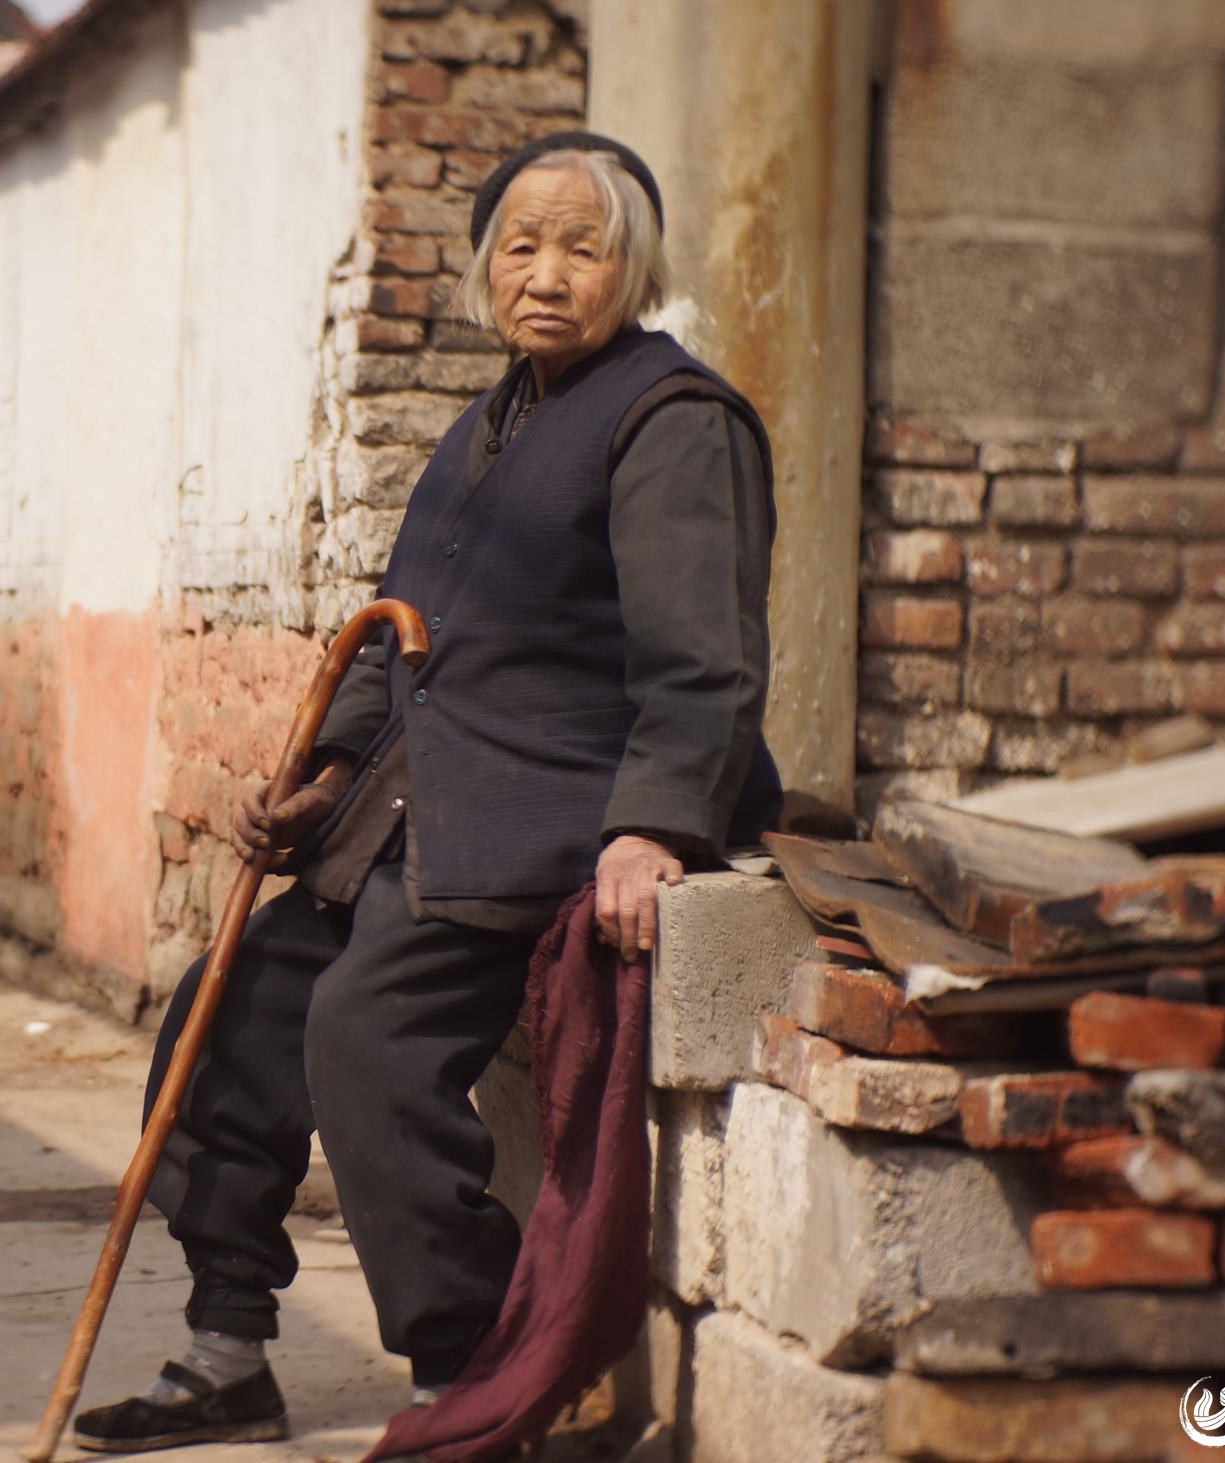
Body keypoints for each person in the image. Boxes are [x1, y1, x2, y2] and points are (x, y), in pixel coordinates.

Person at [73, 134, 781, 1453]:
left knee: (364, 1034)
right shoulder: (486, 420)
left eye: (582, 245)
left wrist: (653, 821)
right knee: (217, 1016)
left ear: (635, 264)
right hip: (406, 806)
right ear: (481, 267)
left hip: (542, 809)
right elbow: (399, 627)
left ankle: (468, 1369)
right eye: (520, 244)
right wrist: (323, 772)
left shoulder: (670, 419)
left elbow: (705, 660)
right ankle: (228, 1347)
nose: (547, 273)